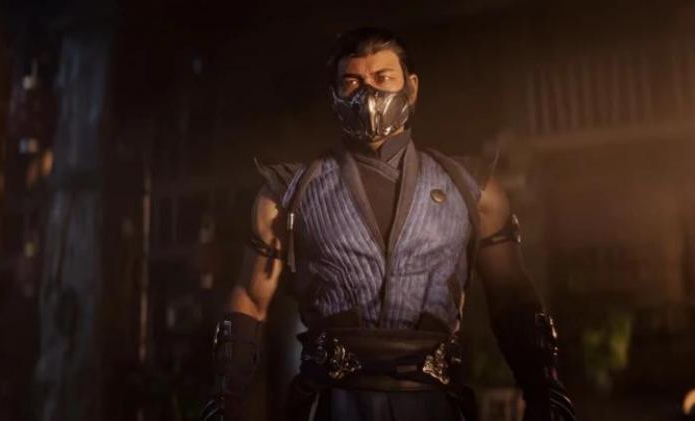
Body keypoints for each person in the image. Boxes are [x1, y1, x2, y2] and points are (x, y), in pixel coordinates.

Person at [202, 27, 576, 421]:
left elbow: (511, 294)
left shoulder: (471, 189)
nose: (368, 94)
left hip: (434, 402)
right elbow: (250, 297)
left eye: (383, 77)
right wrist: (226, 398)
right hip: (331, 402)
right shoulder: (288, 194)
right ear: (334, 94)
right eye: (352, 81)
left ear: (410, 88)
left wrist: (545, 387)